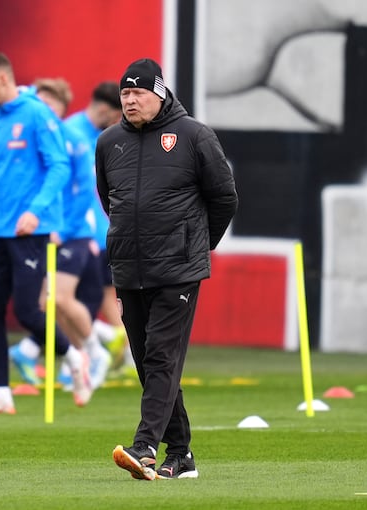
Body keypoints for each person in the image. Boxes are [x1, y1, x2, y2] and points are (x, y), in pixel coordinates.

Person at [98, 58, 238, 480]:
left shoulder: (195, 136)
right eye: (125, 93)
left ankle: (144, 449)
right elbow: (110, 199)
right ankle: (182, 454)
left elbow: (224, 198)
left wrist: (195, 247)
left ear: (159, 94)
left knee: (161, 357)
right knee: (147, 362)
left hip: (178, 269)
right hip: (128, 267)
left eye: (138, 92)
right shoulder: (108, 142)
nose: (130, 100)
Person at [0, 51, 84, 415]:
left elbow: (59, 166)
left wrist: (36, 210)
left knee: (29, 312)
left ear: (3, 79)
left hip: (30, 230)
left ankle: (75, 356)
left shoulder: (35, 112)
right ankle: (1, 393)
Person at [8, 77, 106, 395]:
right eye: (42, 103)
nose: (45, 110)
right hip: (47, 231)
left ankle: (94, 351)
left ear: (62, 110)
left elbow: (81, 194)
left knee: (58, 298)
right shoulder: (33, 138)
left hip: (71, 233)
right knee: (45, 302)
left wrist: (61, 230)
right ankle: (66, 357)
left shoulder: (73, 139)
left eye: (52, 105)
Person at [64, 82, 133, 377]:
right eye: (117, 115)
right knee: (69, 299)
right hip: (80, 232)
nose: (118, 122)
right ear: (105, 109)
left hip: (101, 233)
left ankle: (114, 354)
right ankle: (102, 349)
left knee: (99, 297)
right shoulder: (71, 133)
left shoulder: (105, 137)